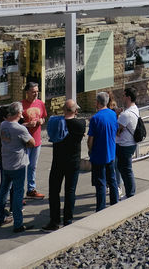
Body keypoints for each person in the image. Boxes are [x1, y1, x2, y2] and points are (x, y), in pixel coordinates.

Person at [43, 99, 86, 231]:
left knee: (54, 191)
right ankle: (68, 219)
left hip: (58, 162)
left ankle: (54, 221)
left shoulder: (55, 123)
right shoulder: (80, 124)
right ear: (76, 111)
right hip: (73, 162)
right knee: (70, 191)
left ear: (63, 110)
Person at [0, 102, 34, 233]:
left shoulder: (3, 124)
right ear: (19, 113)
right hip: (18, 165)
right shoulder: (20, 129)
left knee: (3, 191)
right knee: (18, 194)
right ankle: (18, 224)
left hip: (6, 163)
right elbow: (32, 142)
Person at [87, 91, 118, 212]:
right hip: (111, 152)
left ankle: (100, 209)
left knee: (100, 184)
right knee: (112, 180)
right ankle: (115, 204)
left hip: (98, 155)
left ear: (97, 102)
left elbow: (90, 139)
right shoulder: (112, 114)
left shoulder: (95, 118)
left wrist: (90, 150)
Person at [20, 82, 47, 199]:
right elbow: (16, 123)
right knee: (22, 167)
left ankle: (31, 189)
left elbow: (44, 117)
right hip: (25, 141)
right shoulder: (21, 105)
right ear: (27, 92)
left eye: (37, 91)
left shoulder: (40, 103)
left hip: (37, 140)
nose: (36, 93)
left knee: (33, 166)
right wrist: (27, 124)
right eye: (33, 91)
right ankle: (19, 192)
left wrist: (41, 121)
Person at [115, 88, 140, 200]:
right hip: (131, 143)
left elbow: (117, 131)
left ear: (129, 98)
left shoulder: (126, 114)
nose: (122, 98)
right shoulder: (135, 109)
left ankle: (130, 194)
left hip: (125, 145)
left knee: (126, 169)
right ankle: (129, 192)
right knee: (124, 168)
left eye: (124, 96)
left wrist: (117, 115)